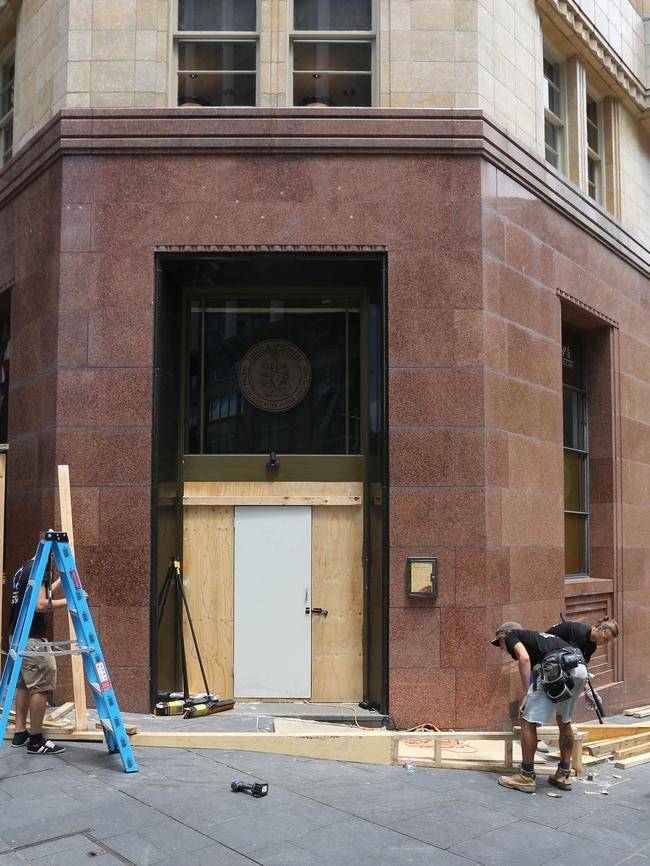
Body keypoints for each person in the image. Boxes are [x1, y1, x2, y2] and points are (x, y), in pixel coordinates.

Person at [491, 621, 588, 793]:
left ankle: (526, 776)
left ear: (504, 635)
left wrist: (525, 693)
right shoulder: (541, 640)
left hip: (557, 667)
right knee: (564, 720)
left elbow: (524, 658)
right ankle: (563, 775)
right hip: (579, 668)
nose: (501, 648)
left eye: (499, 643)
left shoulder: (513, 635)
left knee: (527, 718)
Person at [9, 557, 68, 755]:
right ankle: (35, 740)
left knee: (24, 685)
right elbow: (40, 604)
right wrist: (71, 601)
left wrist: (61, 581)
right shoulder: (41, 568)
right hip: (32, 638)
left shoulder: (24, 568)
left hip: (17, 635)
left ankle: (20, 733)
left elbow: (39, 593)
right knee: (41, 685)